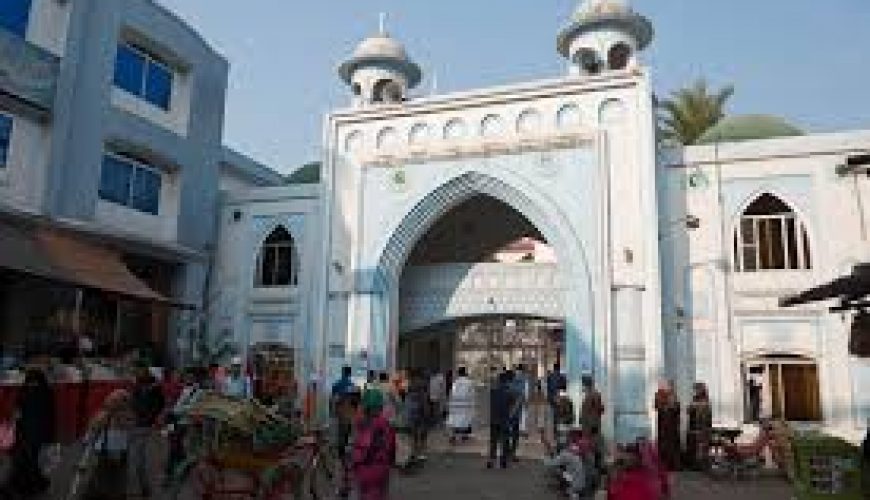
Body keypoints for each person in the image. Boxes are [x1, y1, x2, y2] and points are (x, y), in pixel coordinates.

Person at [5, 368, 56, 497]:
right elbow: (50, 416)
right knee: (29, 459)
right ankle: (35, 484)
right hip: (34, 433)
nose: (32, 385)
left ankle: (25, 486)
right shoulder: (46, 393)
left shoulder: (24, 392)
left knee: (24, 460)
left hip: (27, 433)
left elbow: (17, 413)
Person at [351, 389, 396, 500]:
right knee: (380, 494)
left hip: (362, 469)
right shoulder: (385, 424)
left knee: (363, 494)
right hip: (381, 468)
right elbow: (391, 448)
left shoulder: (358, 423)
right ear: (380, 407)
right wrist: (391, 463)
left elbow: (353, 447)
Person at [129, 367, 165, 498]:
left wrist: (147, 419)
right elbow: (133, 404)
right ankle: (141, 489)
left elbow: (157, 407)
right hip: (137, 425)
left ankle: (143, 489)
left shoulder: (154, 391)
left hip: (143, 426)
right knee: (136, 459)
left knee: (138, 460)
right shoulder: (138, 390)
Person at [488, 371, 518, 469]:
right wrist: (511, 416)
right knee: (505, 440)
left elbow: (492, 404)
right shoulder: (510, 392)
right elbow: (514, 407)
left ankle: (491, 460)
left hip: (494, 418)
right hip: (504, 419)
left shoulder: (493, 391)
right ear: (507, 381)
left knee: (493, 441)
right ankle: (503, 461)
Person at [653, 380, 681, 470]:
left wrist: (672, 406)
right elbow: (657, 406)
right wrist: (666, 406)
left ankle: (673, 464)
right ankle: (663, 463)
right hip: (663, 424)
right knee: (663, 443)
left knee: (672, 444)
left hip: (672, 425)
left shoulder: (673, 395)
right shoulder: (658, 395)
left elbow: (677, 408)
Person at [686, 382, 712, 471]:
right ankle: (695, 464)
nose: (696, 391)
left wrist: (696, 406)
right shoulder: (695, 399)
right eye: (695, 389)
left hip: (702, 426)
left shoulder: (705, 399)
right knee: (694, 445)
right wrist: (693, 407)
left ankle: (703, 464)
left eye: (697, 389)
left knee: (702, 445)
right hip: (694, 425)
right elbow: (689, 410)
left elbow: (705, 411)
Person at [580, 374, 605, 469]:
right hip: (590, 426)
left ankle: (596, 469)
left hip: (591, 427)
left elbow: (599, 409)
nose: (583, 386)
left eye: (584, 384)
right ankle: (596, 468)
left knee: (593, 449)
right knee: (593, 448)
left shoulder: (593, 395)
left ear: (586, 385)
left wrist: (592, 425)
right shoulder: (592, 394)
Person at [405, 368, 430, 461]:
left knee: (413, 432)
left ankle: (414, 451)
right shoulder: (422, 384)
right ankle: (421, 452)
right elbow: (424, 398)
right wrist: (427, 410)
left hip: (412, 411)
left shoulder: (409, 384)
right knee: (422, 432)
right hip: (420, 410)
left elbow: (407, 398)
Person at [447, 366, 475, 444]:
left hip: (455, 405)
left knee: (455, 422)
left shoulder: (455, 383)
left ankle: (453, 436)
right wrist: (472, 405)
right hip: (465, 405)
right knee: (464, 421)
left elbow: (452, 394)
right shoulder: (469, 382)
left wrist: (450, 405)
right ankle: (463, 436)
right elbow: (472, 395)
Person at [547, 363, 567, 435]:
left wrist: (549, 399)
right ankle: (558, 428)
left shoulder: (550, 377)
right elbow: (564, 388)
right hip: (559, 398)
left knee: (554, 414)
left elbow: (548, 389)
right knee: (559, 414)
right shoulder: (562, 377)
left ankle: (555, 429)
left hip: (553, 398)